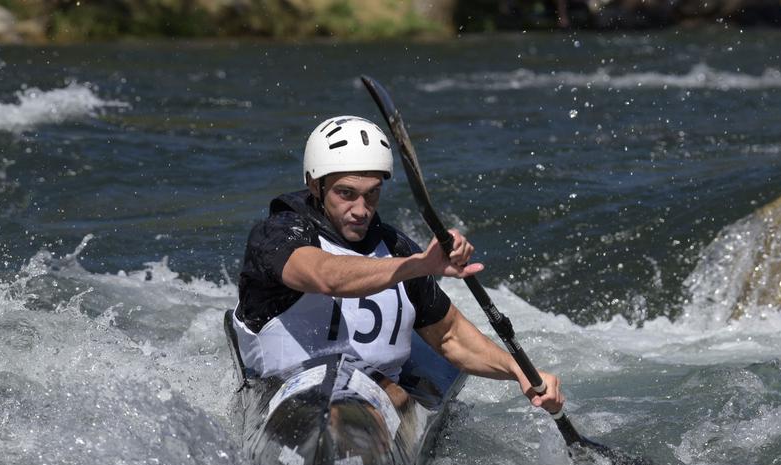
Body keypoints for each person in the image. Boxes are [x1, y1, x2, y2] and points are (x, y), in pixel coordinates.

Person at [231, 115, 563, 415]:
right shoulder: (278, 233)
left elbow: (449, 335)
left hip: (374, 402)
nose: (361, 209)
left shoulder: (396, 247)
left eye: (372, 194)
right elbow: (325, 275)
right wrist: (415, 266)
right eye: (346, 193)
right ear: (315, 185)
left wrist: (519, 371)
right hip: (284, 392)